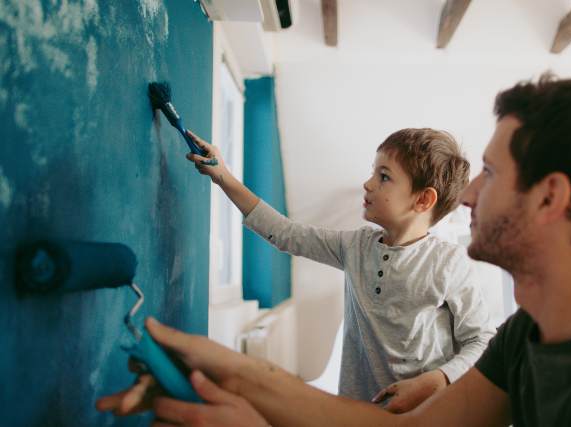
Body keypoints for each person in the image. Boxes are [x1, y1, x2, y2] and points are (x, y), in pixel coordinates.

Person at [98, 74, 571, 426]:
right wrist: (234, 377)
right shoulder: (532, 335)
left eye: (492, 172)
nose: (468, 193)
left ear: (550, 197)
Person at [118, 127, 493, 413]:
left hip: (430, 412)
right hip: (356, 411)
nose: (367, 183)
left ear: (423, 199)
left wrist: (438, 379)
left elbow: (481, 340)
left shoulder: (450, 264)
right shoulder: (356, 247)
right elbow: (286, 234)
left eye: (384, 176)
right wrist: (224, 177)